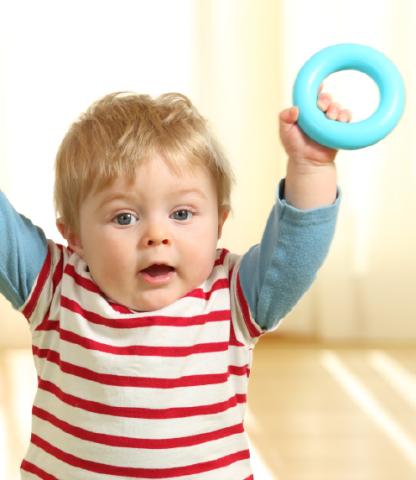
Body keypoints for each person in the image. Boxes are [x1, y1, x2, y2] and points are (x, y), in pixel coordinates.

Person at [0, 90, 350, 479]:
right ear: (75, 236)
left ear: (218, 222)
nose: (156, 235)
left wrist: (312, 166)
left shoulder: (232, 296)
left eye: (181, 213)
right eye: (123, 218)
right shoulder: (55, 286)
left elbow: (296, 253)